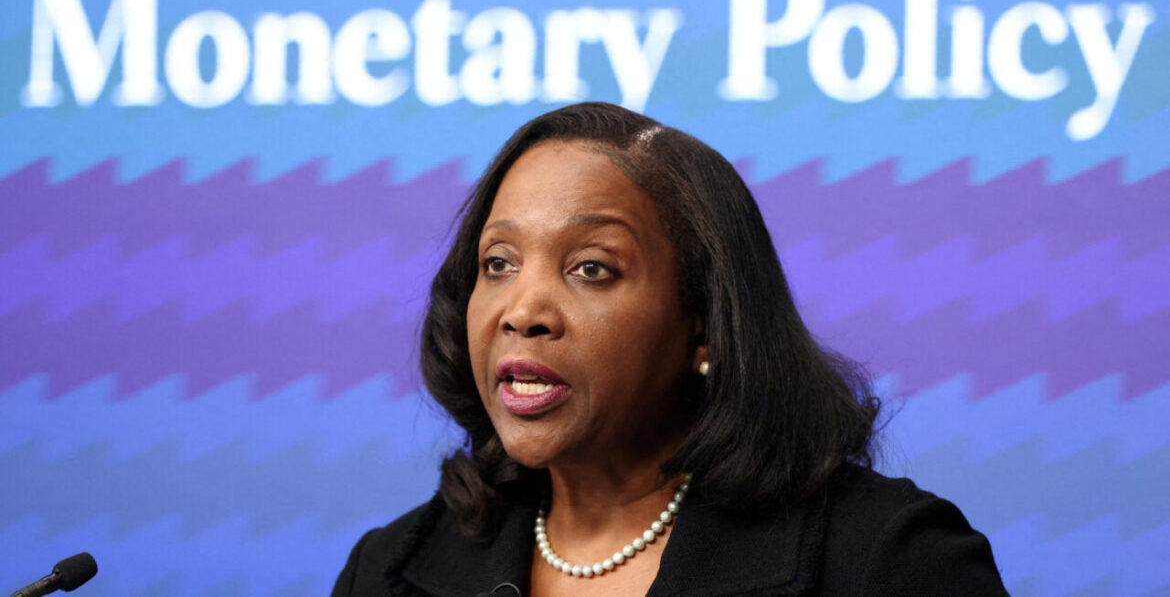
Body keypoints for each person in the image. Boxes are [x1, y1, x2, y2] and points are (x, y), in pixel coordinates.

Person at [332, 102, 1007, 596]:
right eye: (499, 263)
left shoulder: (887, 561)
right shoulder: (389, 571)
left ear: (705, 324)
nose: (524, 311)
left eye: (591, 268)